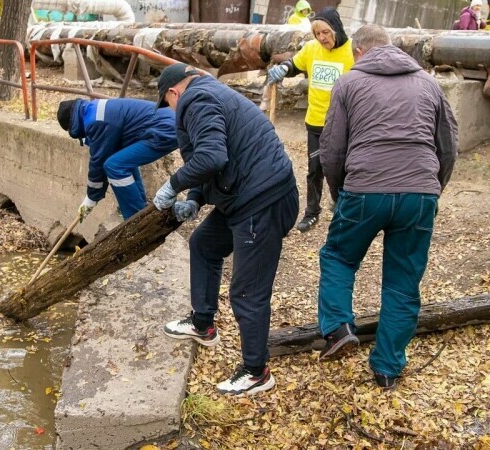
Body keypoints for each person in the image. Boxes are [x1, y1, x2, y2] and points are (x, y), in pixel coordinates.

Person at [315, 24, 458, 390]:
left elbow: (332, 149)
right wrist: (431, 189)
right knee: (403, 282)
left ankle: (338, 327)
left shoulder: (349, 83)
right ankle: (387, 369)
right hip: (420, 193)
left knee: (339, 258)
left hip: (365, 188)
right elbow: (448, 145)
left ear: (359, 52)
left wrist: (338, 193)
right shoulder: (428, 83)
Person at [153, 63, 298, 396]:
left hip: (263, 201)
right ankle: (203, 324)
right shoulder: (212, 93)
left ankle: (256, 371)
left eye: (167, 104)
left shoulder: (195, 101)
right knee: (204, 243)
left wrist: (172, 185)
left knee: (247, 291)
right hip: (249, 195)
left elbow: (211, 156)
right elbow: (220, 154)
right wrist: (195, 198)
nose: (171, 111)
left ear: (174, 92)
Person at [268, 7, 353, 232]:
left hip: (343, 123)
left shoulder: (352, 51)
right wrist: (282, 69)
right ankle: (312, 212)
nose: (322, 38)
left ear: (336, 29)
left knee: (340, 167)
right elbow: (294, 65)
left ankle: (342, 207)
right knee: (315, 168)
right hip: (315, 120)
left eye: (325, 32)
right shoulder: (311, 49)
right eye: (317, 34)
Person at [56, 98, 178, 220]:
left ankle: (133, 218)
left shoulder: (95, 122)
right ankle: (139, 208)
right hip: (168, 124)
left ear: (73, 125)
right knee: (122, 161)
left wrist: (91, 199)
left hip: (164, 130)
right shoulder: (93, 110)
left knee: (114, 166)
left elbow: (98, 162)